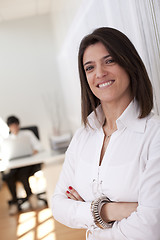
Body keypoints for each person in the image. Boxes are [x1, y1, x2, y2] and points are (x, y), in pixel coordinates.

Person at [51, 27, 160, 240]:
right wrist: (107, 211)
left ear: (129, 64)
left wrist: (88, 217)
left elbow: (150, 227)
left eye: (109, 61)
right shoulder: (83, 135)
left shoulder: (154, 134)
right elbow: (58, 205)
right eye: (90, 67)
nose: (100, 73)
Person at [2, 116, 43, 215]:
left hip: (29, 164)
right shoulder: (7, 139)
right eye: (12, 126)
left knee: (22, 175)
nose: (14, 127)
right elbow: (4, 154)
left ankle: (31, 196)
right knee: (8, 177)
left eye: (16, 125)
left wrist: (34, 151)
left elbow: (39, 146)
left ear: (18, 125)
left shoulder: (27, 134)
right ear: (9, 127)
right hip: (15, 165)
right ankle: (14, 202)